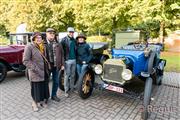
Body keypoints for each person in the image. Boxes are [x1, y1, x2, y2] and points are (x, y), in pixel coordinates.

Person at [23, 32, 50, 112]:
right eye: (37, 38)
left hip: (44, 71)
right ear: (33, 39)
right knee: (35, 88)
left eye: (40, 37)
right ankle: (34, 103)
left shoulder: (43, 46)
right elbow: (25, 61)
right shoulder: (29, 46)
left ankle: (41, 101)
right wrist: (35, 68)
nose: (39, 39)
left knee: (42, 87)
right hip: (35, 72)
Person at [44, 28, 64, 102]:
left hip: (56, 66)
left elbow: (62, 54)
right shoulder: (43, 43)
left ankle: (54, 95)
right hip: (47, 66)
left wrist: (62, 64)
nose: (52, 35)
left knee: (56, 81)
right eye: (50, 33)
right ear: (46, 34)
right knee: (46, 81)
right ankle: (46, 97)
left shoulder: (58, 43)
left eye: (53, 33)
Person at [61, 27, 76, 97]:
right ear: (67, 32)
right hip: (67, 61)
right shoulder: (63, 40)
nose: (71, 33)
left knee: (73, 75)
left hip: (74, 60)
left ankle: (72, 88)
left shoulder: (75, 40)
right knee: (67, 76)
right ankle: (66, 91)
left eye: (72, 32)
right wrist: (63, 62)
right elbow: (61, 52)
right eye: (70, 32)